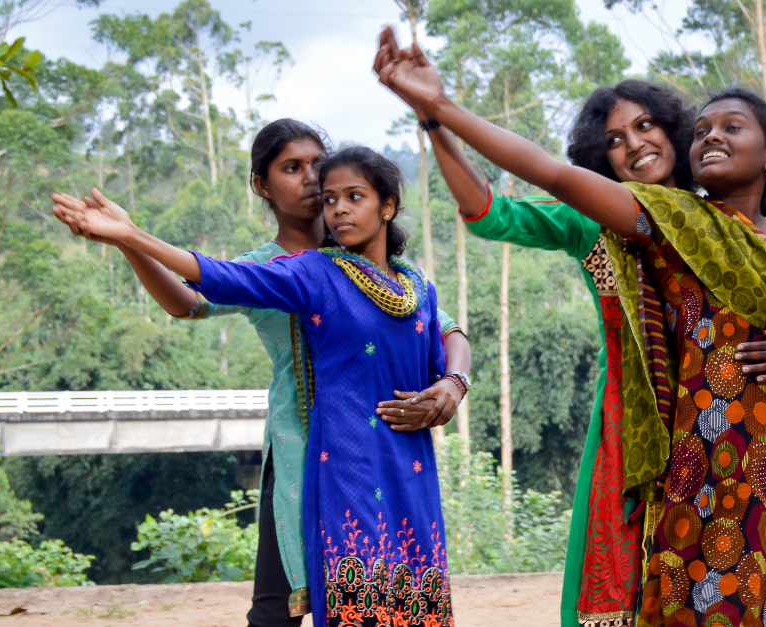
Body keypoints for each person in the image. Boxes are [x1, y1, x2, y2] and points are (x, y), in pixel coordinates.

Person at [376, 33, 766, 627]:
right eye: (615, 139)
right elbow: (512, 196)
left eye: (647, 126)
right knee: (675, 586)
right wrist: (438, 116)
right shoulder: (632, 219)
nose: (636, 144)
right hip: (665, 434)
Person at [53, 145, 462, 627]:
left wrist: (452, 385)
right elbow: (208, 285)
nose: (332, 202)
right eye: (329, 195)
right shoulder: (311, 272)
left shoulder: (415, 285)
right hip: (329, 456)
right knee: (312, 602)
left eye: (352, 195)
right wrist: (132, 237)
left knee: (413, 596)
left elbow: (445, 338)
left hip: (406, 461)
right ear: (263, 186)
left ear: (387, 205)